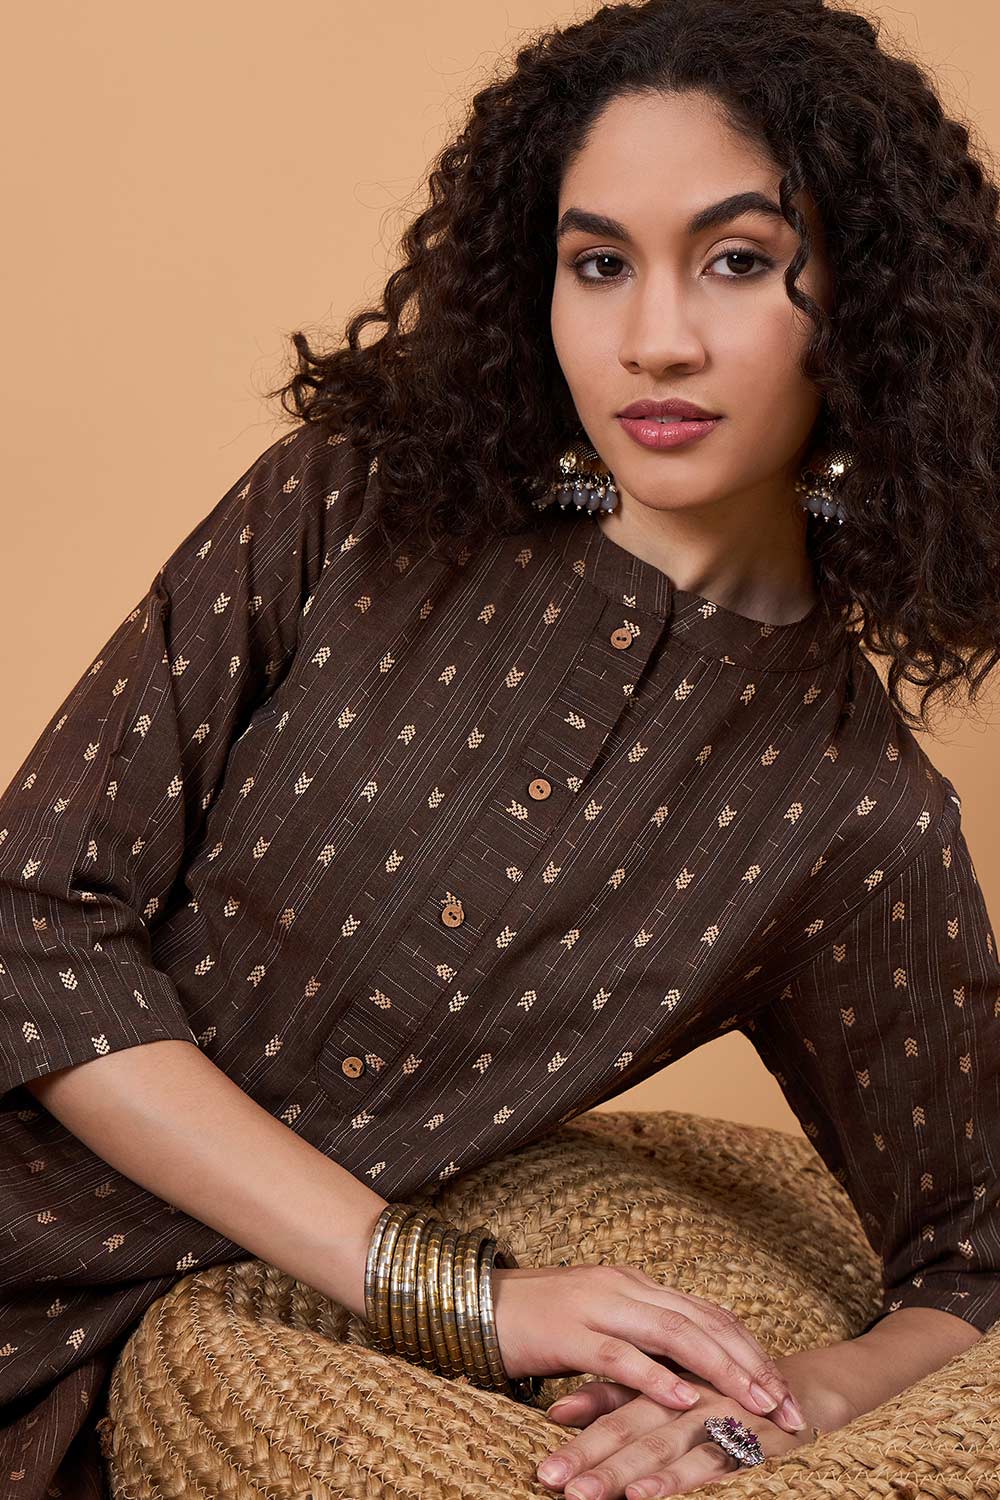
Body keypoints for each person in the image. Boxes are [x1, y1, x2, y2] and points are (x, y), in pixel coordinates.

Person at [3, 0, 1000, 1495]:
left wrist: (791, 1398)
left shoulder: (855, 813)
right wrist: (445, 1288)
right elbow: (28, 920)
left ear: (873, 298)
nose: (654, 339)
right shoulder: (351, 504)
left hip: (160, 1412)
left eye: (737, 260)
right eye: (599, 263)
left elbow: (978, 1251)